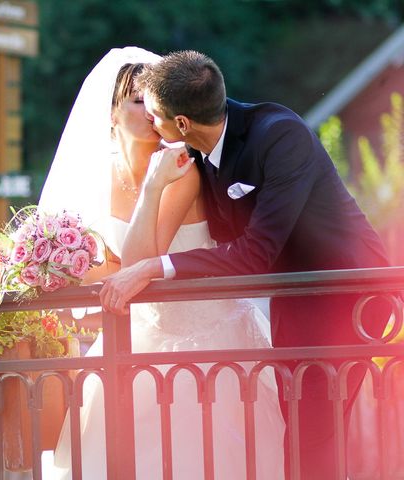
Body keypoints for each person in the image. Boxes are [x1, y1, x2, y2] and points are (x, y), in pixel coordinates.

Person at [99, 49, 392, 479]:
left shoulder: (280, 136)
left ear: (182, 123)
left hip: (349, 295)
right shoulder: (193, 149)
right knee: (298, 425)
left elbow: (256, 254)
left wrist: (151, 267)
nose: (151, 124)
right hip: (295, 296)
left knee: (315, 429)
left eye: (156, 115)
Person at [39, 47, 284, 479]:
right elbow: (108, 266)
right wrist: (55, 267)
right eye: (137, 101)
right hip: (132, 336)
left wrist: (153, 186)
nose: (151, 114)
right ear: (112, 113)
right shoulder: (101, 175)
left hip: (206, 341)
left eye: (154, 103)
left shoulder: (180, 167)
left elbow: (138, 264)